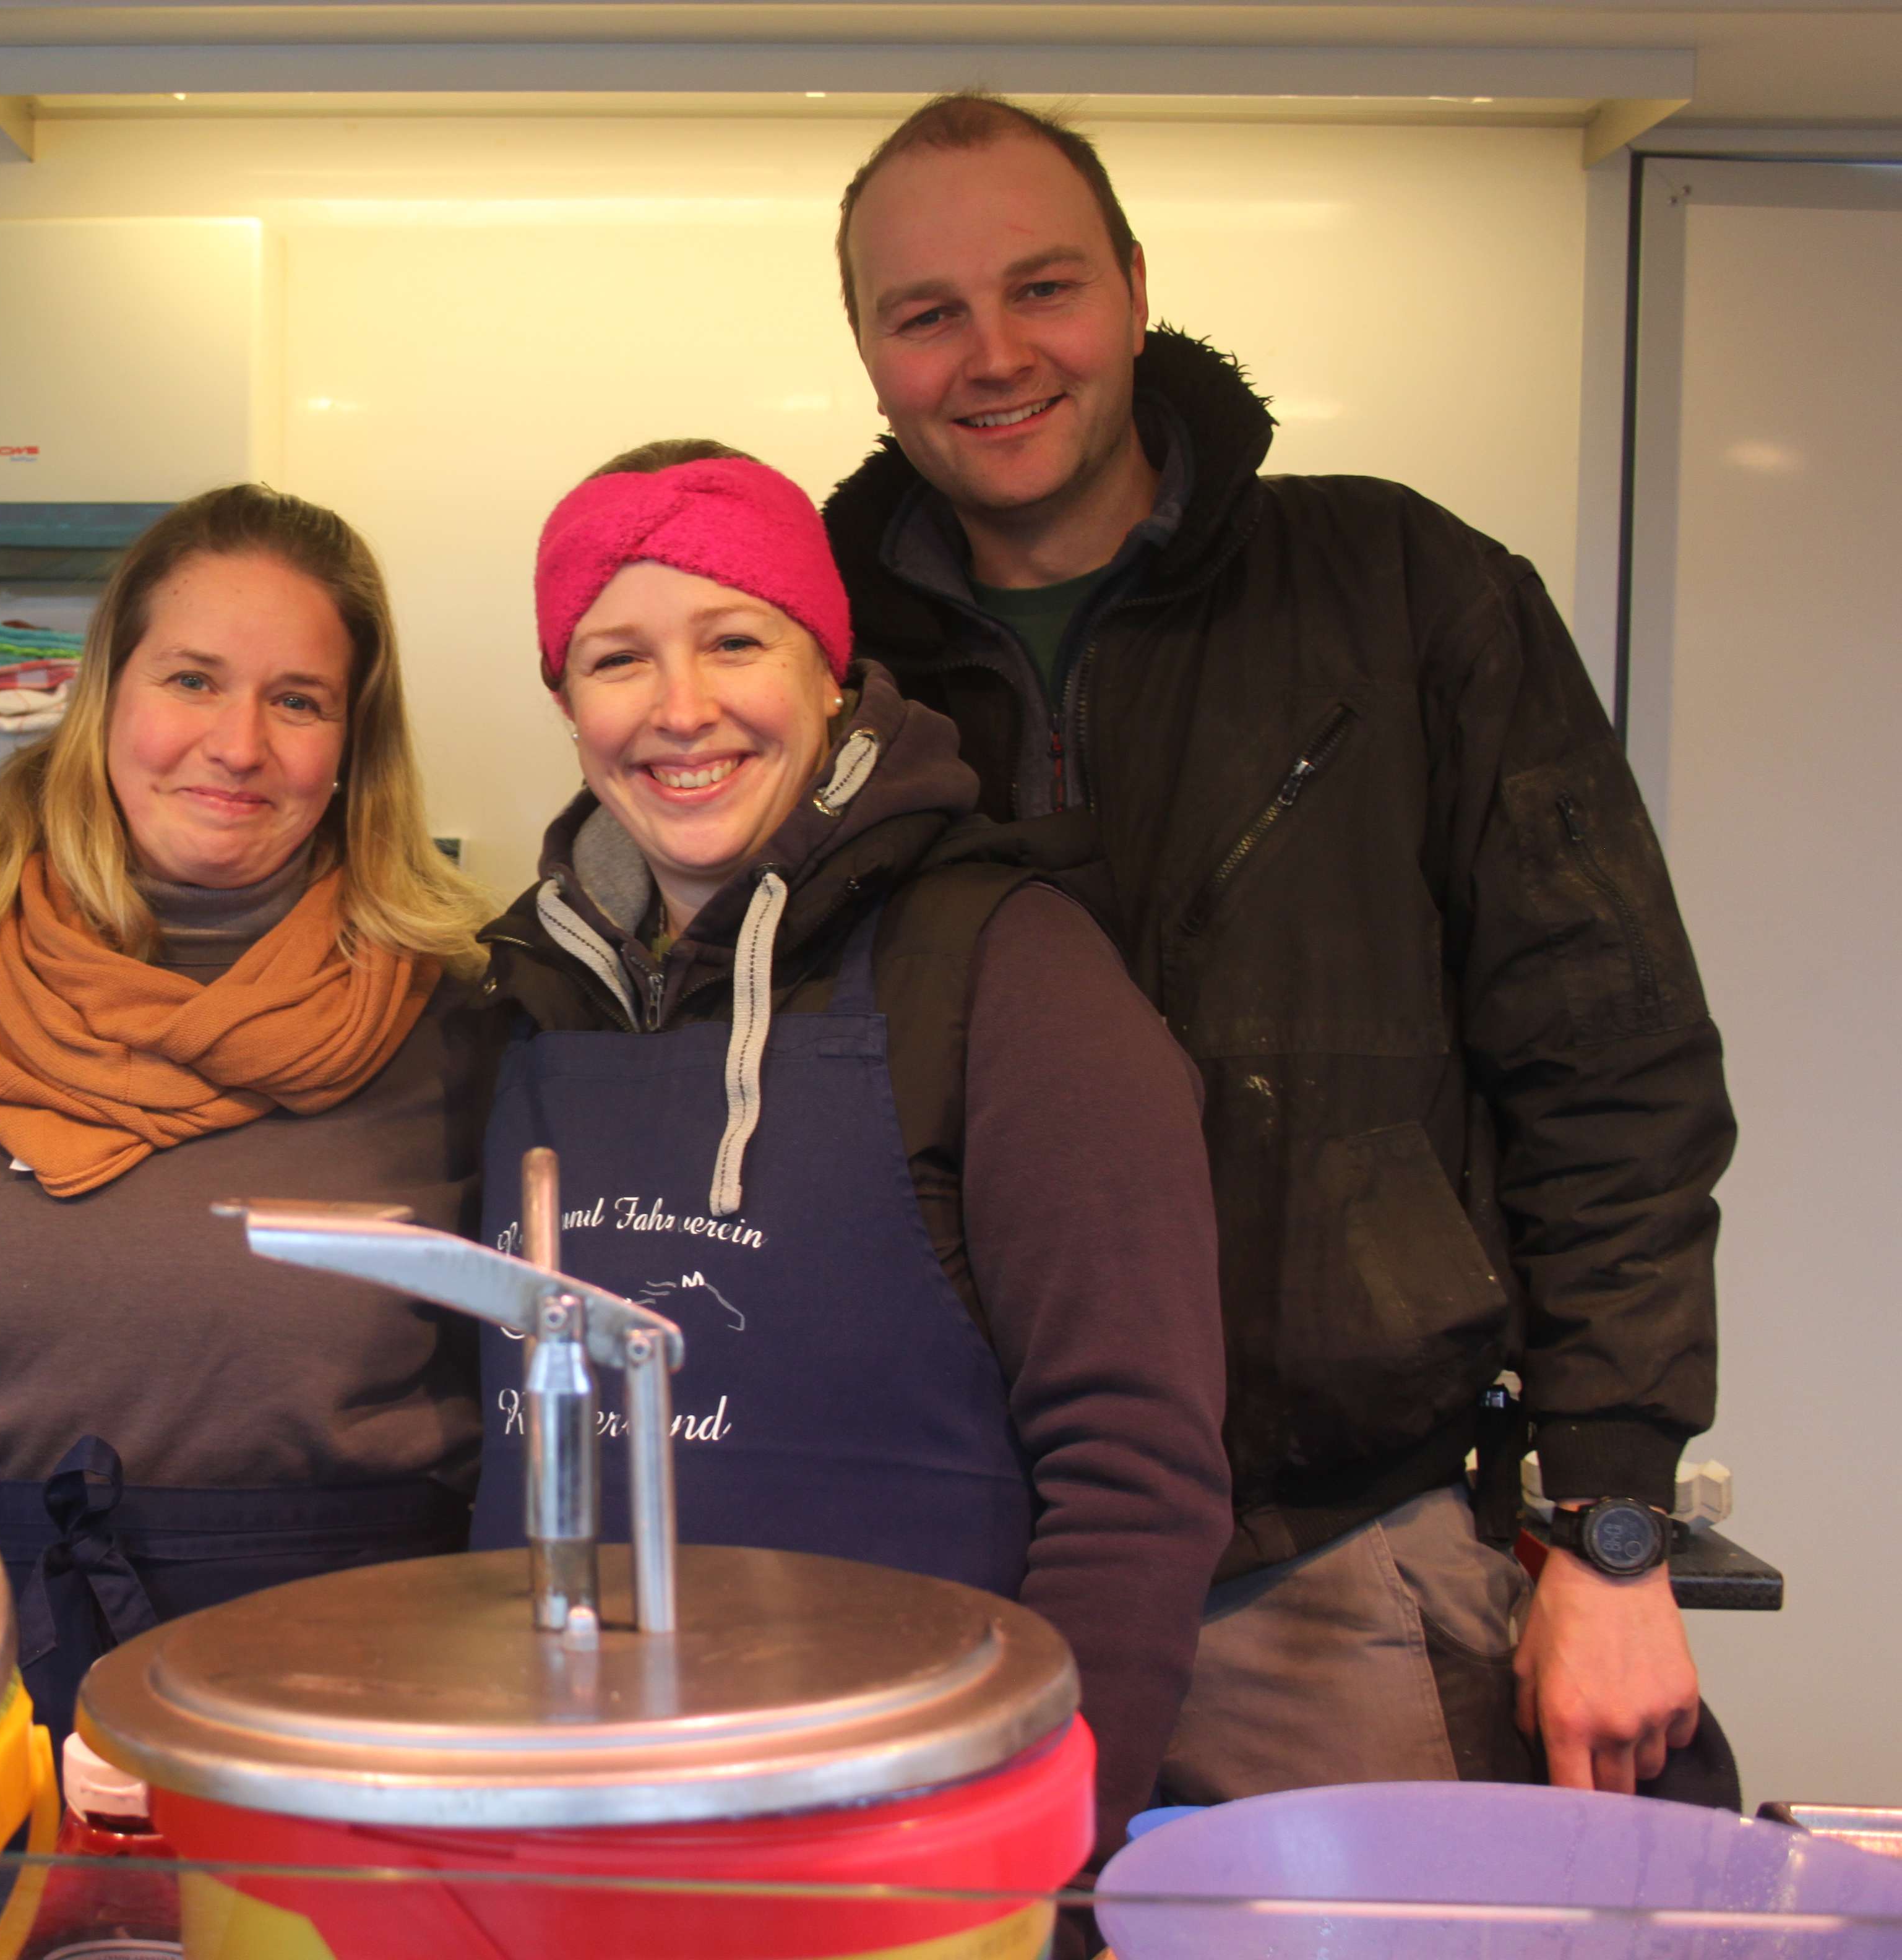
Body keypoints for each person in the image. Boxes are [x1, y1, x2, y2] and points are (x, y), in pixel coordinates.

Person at [820, 94, 1737, 1801]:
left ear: (1135, 288)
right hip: (934, 1574)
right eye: (926, 312)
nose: (995, 354)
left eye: (1043, 288)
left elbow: (1613, 1073)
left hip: (1335, 1571)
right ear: (868, 354)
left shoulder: (1408, 591)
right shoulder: (811, 659)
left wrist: (1613, 1528)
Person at [473, 444, 1231, 1860]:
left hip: (903, 1844)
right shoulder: (524, 991)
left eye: (735, 641)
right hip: (559, 1820)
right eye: (618, 658)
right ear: (568, 705)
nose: (681, 709)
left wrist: (1026, 1846)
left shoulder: (1011, 969)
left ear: (830, 671)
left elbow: (1137, 1478)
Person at [0, 483, 500, 1741]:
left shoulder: (473, 1014)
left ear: (356, 742)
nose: (238, 745)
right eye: (193, 680)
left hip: (362, 1692)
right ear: (108, 697)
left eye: (299, 701)